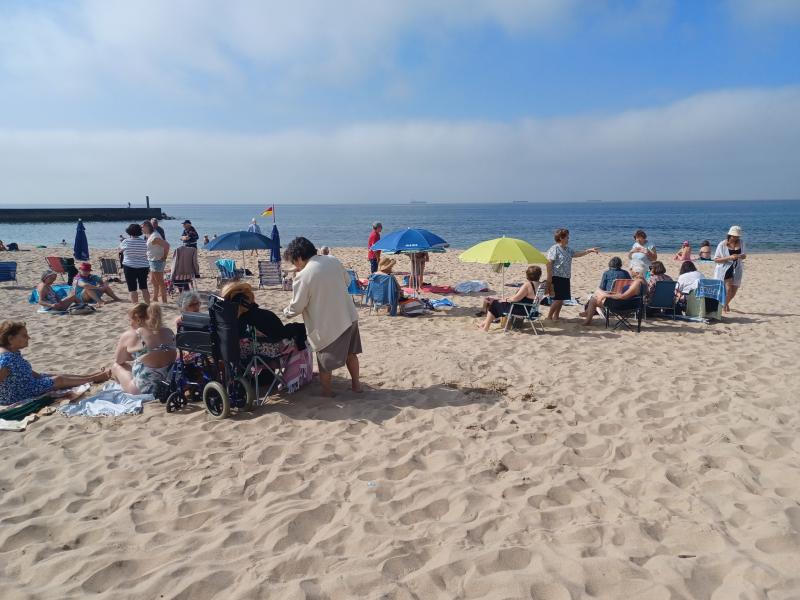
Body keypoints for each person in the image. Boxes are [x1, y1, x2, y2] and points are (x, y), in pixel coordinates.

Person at [283, 237, 361, 397]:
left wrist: (285, 312)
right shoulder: (332, 260)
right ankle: (356, 385)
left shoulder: (303, 276)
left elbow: (297, 306)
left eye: (294, 261)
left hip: (328, 324)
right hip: (348, 314)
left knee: (325, 362)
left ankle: (327, 392)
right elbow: (347, 281)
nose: (295, 266)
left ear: (298, 258)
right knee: (351, 354)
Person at [0, 321, 109, 405]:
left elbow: (24, 370)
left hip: (26, 384)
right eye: (24, 335)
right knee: (58, 379)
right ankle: (94, 379)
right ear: (10, 339)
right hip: (19, 393)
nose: (29, 337)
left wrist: (42, 376)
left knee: (53, 374)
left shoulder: (12, 352)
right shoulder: (5, 359)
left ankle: (90, 376)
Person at [111, 303, 176, 395]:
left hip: (145, 390)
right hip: (171, 386)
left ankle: (122, 387)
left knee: (116, 367)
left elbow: (119, 360)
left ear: (138, 319)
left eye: (131, 320)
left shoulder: (132, 335)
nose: (130, 324)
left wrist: (134, 356)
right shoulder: (168, 331)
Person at [222, 282, 307, 347]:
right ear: (246, 301)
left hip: (239, 358)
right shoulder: (264, 317)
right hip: (264, 356)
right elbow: (280, 335)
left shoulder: (224, 321)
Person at [545, 228, 600, 321]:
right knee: (558, 299)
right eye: (567, 237)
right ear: (561, 238)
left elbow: (577, 254)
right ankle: (549, 316)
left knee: (562, 299)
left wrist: (589, 250)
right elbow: (549, 263)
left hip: (566, 277)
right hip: (556, 277)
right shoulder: (554, 249)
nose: (568, 239)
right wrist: (549, 278)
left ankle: (556, 316)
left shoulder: (568, 249)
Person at [477, 266, 543, 332]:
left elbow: (515, 299)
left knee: (495, 304)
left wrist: (504, 300)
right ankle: (483, 324)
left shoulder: (528, 285)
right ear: (539, 275)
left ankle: (485, 328)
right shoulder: (541, 285)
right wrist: (504, 299)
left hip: (522, 310)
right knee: (498, 303)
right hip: (531, 310)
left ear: (527, 275)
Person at [581, 264, 646, 326]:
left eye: (631, 269)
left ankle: (587, 320)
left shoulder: (636, 283)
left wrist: (607, 295)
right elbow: (629, 295)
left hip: (623, 306)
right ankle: (587, 315)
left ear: (637, 273)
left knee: (594, 298)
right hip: (629, 303)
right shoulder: (643, 282)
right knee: (597, 294)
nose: (630, 270)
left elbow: (623, 296)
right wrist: (611, 294)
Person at [713, 226, 746, 312]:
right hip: (725, 269)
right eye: (734, 236)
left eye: (737, 236)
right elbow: (716, 260)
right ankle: (722, 307)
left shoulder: (741, 242)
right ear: (729, 235)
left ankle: (725, 304)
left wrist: (741, 256)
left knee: (734, 291)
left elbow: (744, 255)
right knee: (728, 290)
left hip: (737, 268)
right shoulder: (722, 244)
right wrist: (729, 257)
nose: (735, 238)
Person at [119, 223, 151, 304]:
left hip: (129, 266)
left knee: (132, 288)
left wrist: (122, 242)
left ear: (129, 232)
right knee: (144, 287)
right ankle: (148, 304)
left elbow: (119, 251)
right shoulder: (145, 242)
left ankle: (135, 306)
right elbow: (147, 253)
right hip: (143, 266)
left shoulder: (126, 241)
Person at [142, 220, 170, 304]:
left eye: (142, 227)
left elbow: (167, 245)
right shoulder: (150, 235)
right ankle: (155, 298)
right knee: (153, 281)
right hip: (152, 260)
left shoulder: (155, 236)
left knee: (160, 282)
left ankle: (164, 301)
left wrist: (164, 257)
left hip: (156, 261)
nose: (141, 229)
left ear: (147, 227)